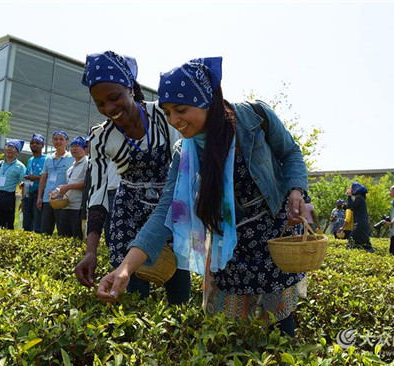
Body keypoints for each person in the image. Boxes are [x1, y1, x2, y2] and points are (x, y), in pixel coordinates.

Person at [97, 57, 308, 337]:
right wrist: (125, 269)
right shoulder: (184, 154)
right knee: (231, 332)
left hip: (271, 233)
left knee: (279, 327)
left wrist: (296, 189)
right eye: (168, 112)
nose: (174, 121)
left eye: (181, 110)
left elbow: (290, 152)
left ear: (207, 100)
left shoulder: (254, 118)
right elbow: (165, 212)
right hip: (227, 246)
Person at [75, 51, 191, 305]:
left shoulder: (163, 116)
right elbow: (96, 194)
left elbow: (183, 171)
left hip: (169, 208)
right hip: (128, 214)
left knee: (178, 286)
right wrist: (91, 251)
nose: (109, 109)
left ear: (129, 87)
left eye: (114, 98)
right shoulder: (101, 138)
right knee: (132, 293)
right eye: (100, 104)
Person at [37, 131, 74, 235]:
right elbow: (43, 178)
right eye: (55, 139)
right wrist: (39, 197)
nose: (58, 141)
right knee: (45, 231)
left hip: (61, 200)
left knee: (63, 232)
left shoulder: (72, 158)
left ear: (67, 142)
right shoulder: (48, 158)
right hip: (47, 199)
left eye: (61, 139)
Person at [54, 136, 88, 240]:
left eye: (77, 146)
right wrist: (62, 189)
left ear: (84, 148)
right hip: (67, 206)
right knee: (63, 237)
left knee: (77, 238)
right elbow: (69, 185)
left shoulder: (87, 163)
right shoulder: (71, 167)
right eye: (72, 146)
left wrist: (68, 187)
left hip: (78, 207)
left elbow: (87, 184)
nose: (74, 149)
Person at [21, 133, 46, 233]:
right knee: (26, 222)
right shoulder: (30, 160)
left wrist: (37, 178)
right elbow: (27, 176)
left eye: (37, 143)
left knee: (37, 223)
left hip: (38, 193)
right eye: (32, 143)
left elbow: (46, 178)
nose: (34, 145)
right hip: (28, 193)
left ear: (42, 146)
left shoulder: (46, 159)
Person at [345, 182, 375, 252]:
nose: (350, 190)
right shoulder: (360, 199)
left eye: (351, 188)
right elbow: (350, 206)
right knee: (363, 243)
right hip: (362, 223)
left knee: (351, 241)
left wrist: (349, 196)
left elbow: (350, 206)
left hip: (360, 224)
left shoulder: (359, 198)